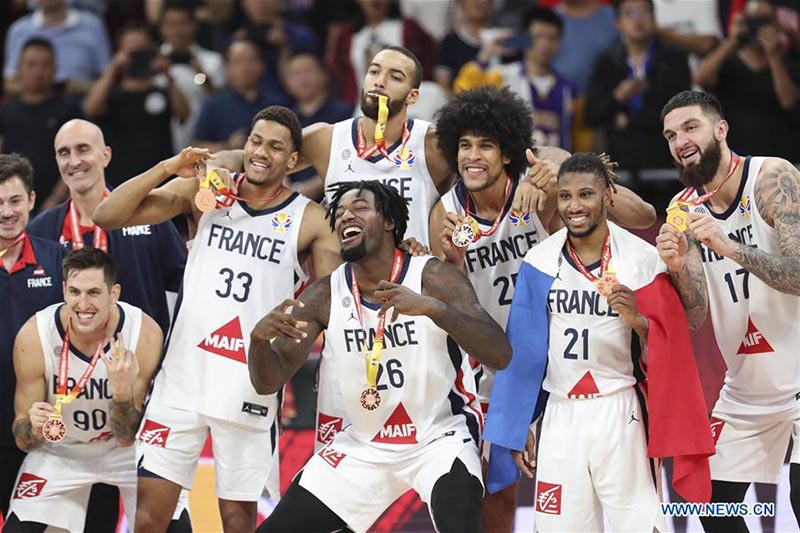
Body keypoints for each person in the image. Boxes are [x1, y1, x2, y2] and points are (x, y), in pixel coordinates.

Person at [93, 106, 340, 532]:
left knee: (236, 521)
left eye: (276, 147)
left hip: (248, 385)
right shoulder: (204, 192)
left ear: (293, 161)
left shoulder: (311, 219)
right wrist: (169, 167)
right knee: (149, 518)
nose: (262, 153)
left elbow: (332, 302)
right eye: (256, 141)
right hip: (182, 379)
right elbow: (107, 216)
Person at [430, 86, 657, 532]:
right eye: (464, 145)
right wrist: (450, 262)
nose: (473, 156)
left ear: (509, 151)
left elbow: (644, 214)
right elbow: (452, 302)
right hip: (496, 359)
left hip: (560, 358)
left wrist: (559, 176)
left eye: (486, 145)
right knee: (497, 491)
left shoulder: (542, 173)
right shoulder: (446, 214)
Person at [249, 180, 511, 532]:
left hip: (440, 436)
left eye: (358, 208)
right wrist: (257, 343)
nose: (345, 216)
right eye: (339, 212)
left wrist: (433, 310)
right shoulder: (324, 295)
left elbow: (500, 354)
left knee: (459, 524)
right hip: (365, 443)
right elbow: (268, 382)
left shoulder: (433, 277)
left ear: (389, 221)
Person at [485, 152, 714, 531]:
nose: (574, 206)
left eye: (586, 194)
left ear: (608, 196)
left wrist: (638, 321)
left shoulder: (642, 260)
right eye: (565, 196)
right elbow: (524, 353)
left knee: (640, 526)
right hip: (560, 414)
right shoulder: (539, 260)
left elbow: (671, 344)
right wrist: (520, 422)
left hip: (620, 409)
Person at [657, 89, 800, 530]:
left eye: (689, 127)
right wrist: (679, 267)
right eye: (669, 135)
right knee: (711, 504)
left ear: (721, 129)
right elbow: (697, 314)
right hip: (747, 391)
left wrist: (727, 245)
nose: (679, 140)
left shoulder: (770, 177)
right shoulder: (683, 208)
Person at [6, 248, 162, 532]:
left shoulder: (144, 334)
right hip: (60, 451)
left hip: (126, 452)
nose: (83, 304)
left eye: (93, 293)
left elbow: (127, 437)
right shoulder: (34, 335)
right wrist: (34, 428)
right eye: (75, 292)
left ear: (113, 293)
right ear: (64, 289)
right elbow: (22, 436)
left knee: (175, 526)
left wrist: (123, 395)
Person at [27, 119, 187, 338]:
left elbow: (187, 284)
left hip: (142, 362)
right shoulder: (40, 231)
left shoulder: (149, 217)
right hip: (68, 366)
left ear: (106, 155)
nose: (74, 161)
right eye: (64, 153)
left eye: (83, 149)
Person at [0, 154, 65, 521]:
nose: (7, 212)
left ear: (31, 201)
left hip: (37, 428)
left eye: (14, 201)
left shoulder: (58, 260)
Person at [0, 38, 82, 212]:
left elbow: (76, 159)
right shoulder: (6, 111)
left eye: (45, 64)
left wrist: (57, 198)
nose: (38, 70)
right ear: (19, 69)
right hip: (12, 203)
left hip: (59, 203)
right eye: (31, 64)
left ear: (55, 68)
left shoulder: (68, 110)